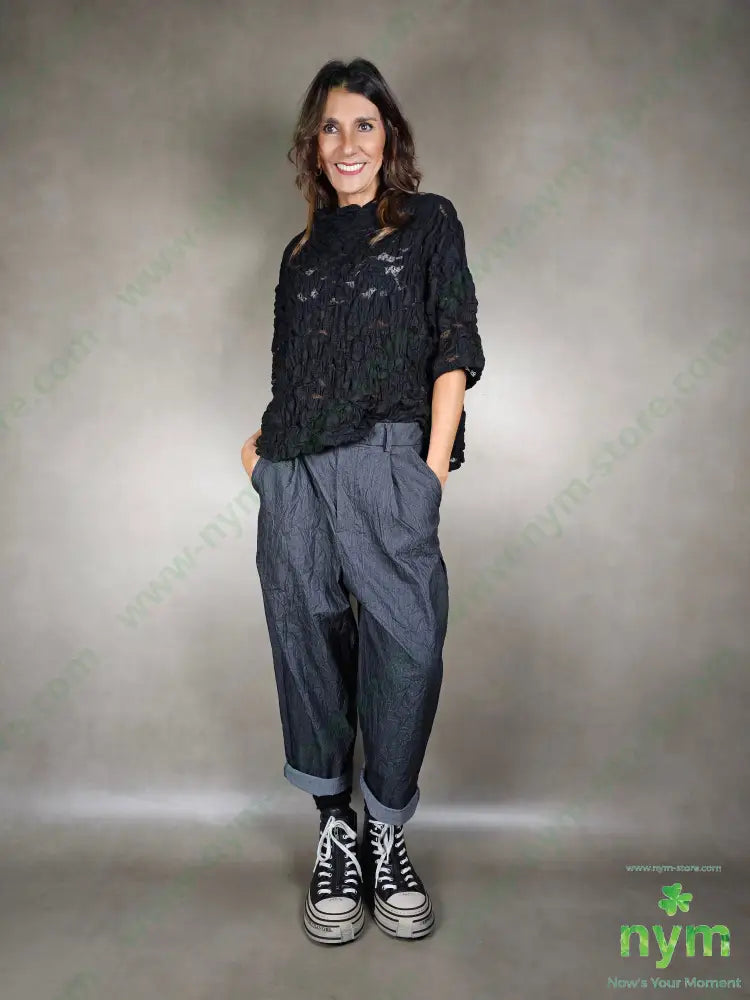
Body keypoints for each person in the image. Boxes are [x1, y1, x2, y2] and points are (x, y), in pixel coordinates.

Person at [240, 57, 485, 946]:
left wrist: (430, 470)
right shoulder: (298, 255)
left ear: (390, 139)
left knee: (407, 648)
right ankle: (335, 832)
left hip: (388, 465)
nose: (348, 143)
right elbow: (295, 373)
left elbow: (453, 344)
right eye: (332, 128)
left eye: (365, 126)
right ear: (315, 146)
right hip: (296, 475)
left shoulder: (427, 223)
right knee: (306, 648)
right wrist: (261, 456)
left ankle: (387, 830)